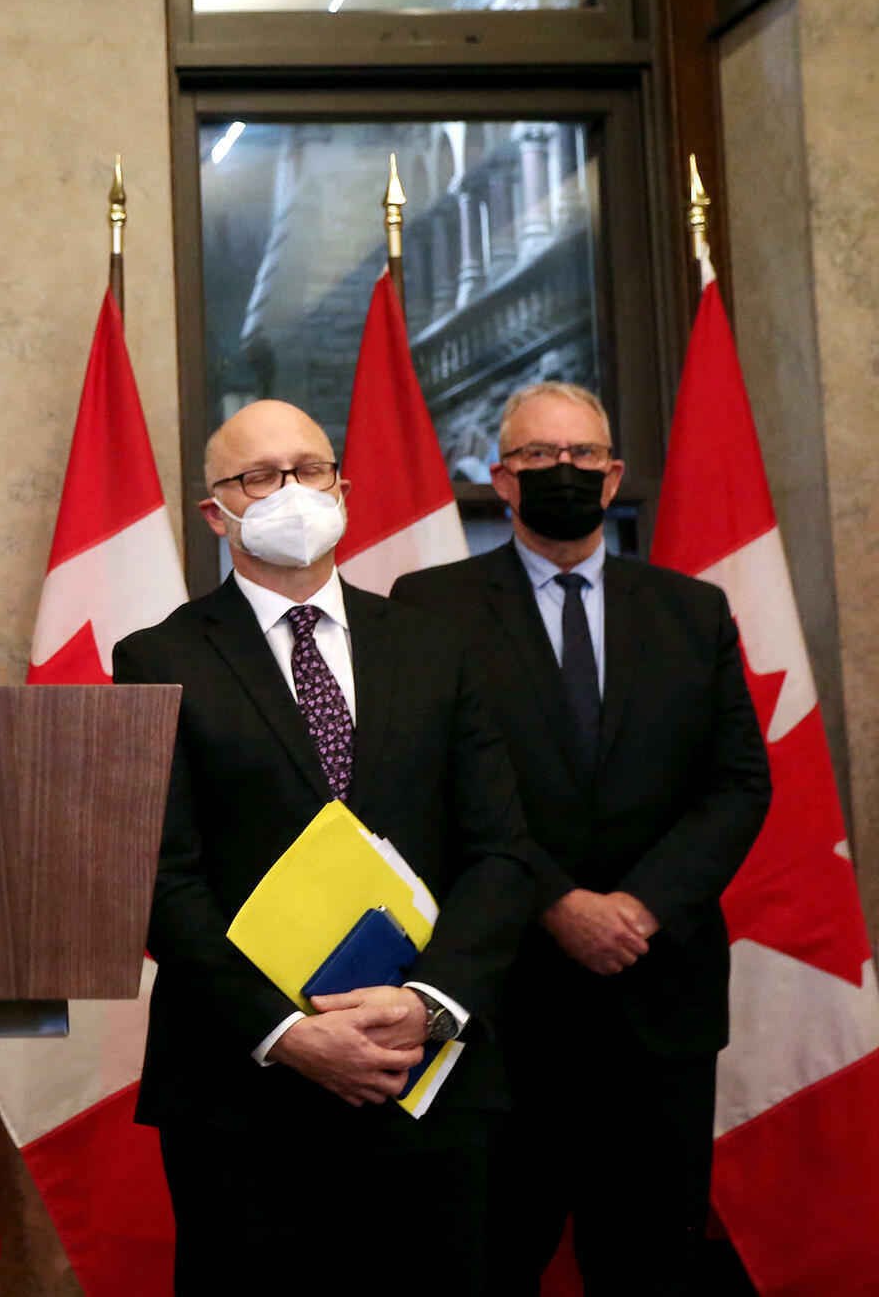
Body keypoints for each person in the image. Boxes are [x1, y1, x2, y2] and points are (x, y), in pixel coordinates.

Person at [117, 400, 535, 1294]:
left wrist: (428, 1005)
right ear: (214, 512)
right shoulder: (157, 658)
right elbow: (162, 878)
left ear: (342, 485)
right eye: (258, 477)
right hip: (246, 1095)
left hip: (425, 1077)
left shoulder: (438, 648)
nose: (291, 492)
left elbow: (501, 853)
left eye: (309, 470)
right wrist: (289, 1032)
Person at [391, 382, 768, 1294]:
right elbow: (433, 789)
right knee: (485, 1261)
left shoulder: (693, 613)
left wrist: (640, 906)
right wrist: (555, 901)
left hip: (658, 998)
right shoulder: (427, 608)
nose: (563, 472)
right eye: (537, 457)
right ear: (500, 478)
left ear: (615, 475)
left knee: (652, 1264)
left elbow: (738, 784)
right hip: (501, 1001)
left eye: (583, 456)